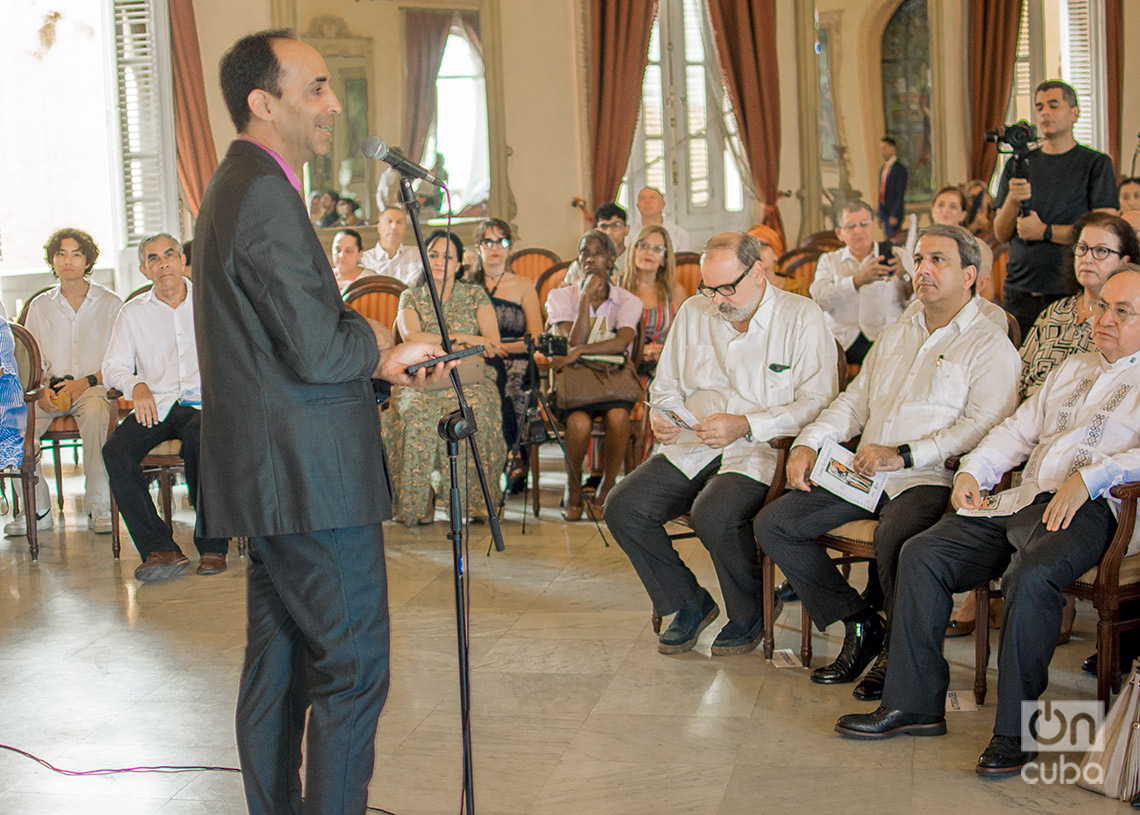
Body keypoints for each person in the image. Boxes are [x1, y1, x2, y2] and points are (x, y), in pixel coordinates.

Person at [194, 31, 452, 814]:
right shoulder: (262, 193)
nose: (334, 104)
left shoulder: (242, 184)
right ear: (262, 103)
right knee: (352, 667)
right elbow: (314, 343)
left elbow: (292, 327)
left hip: (277, 478)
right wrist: (376, 345)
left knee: (278, 669)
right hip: (310, 478)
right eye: (314, 89)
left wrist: (365, 342)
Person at [834, 265, 1140, 777]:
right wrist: (974, 469)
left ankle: (1015, 732)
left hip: (1095, 508)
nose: (1104, 318)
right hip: (1026, 497)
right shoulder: (1073, 367)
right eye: (1102, 306)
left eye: (1122, 311)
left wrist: (1092, 476)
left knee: (1032, 575)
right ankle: (915, 704)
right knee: (924, 553)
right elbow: (1017, 431)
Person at [753, 224, 1021, 702]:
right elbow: (854, 402)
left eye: (938, 260)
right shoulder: (900, 330)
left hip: (929, 476)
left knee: (897, 537)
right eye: (919, 259)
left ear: (970, 275)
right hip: (865, 471)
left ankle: (897, 657)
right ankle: (860, 624)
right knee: (776, 522)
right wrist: (809, 443)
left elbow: (984, 427)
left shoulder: (988, 341)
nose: (923, 269)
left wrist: (905, 454)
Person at [605, 232, 837, 655]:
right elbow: (666, 385)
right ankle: (689, 602)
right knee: (623, 506)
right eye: (709, 288)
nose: (717, 300)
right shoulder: (694, 311)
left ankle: (750, 612)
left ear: (758, 271)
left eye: (728, 288)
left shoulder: (801, 316)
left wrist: (748, 424)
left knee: (713, 512)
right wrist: (662, 414)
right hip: (694, 442)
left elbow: (819, 402)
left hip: (762, 448)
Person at [101, 233, 228, 580]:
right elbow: (113, 366)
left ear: (183, 261)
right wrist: (136, 384)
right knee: (115, 451)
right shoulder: (133, 313)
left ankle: (213, 547)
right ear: (145, 270)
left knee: (201, 441)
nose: (163, 263)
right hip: (154, 404)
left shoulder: (211, 301)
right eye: (153, 259)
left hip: (203, 403)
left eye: (169, 255)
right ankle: (160, 548)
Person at [384, 230, 506, 525]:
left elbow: (490, 342)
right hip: (422, 380)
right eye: (434, 254)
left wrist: (441, 344)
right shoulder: (411, 296)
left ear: (459, 263)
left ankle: (475, 502)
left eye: (447, 256)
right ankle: (419, 499)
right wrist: (463, 338)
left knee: (475, 408)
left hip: (468, 379)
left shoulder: (475, 294)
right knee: (413, 412)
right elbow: (411, 335)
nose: (439, 261)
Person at [6, 228, 121, 538]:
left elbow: (118, 359)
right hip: (48, 392)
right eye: (61, 254)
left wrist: (84, 383)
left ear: (88, 261)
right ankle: (37, 509)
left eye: (76, 254)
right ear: (53, 261)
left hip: (92, 387)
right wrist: (40, 387)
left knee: (98, 413)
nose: (68, 260)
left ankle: (99, 506)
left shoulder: (110, 304)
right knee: (12, 423)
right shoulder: (41, 306)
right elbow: (31, 357)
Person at [994, 80, 1119, 337]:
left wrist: (1045, 231)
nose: (1045, 113)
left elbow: (1106, 229)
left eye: (1053, 105)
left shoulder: (1095, 163)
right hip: (1021, 289)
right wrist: (1013, 200)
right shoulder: (1018, 164)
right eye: (1039, 107)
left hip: (1072, 289)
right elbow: (1000, 233)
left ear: (1074, 113)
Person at [545, 230, 643, 519]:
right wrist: (585, 296)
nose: (589, 258)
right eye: (583, 252)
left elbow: (621, 342)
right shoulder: (560, 296)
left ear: (611, 258)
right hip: (576, 383)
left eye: (597, 253)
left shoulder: (628, 300)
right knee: (577, 423)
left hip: (612, 381)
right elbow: (571, 341)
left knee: (618, 416)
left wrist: (579, 350)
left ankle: (606, 488)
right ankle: (573, 491)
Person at [1019, 212, 1139, 399]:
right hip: (1026, 415)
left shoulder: (1124, 321)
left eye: (1101, 251)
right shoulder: (1055, 311)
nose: (1087, 258)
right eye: (1082, 248)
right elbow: (1018, 377)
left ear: (1124, 262)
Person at [466, 218, 542, 492]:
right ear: (479, 247)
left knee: (510, 381)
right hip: (477, 358)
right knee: (488, 375)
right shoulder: (465, 285)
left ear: (510, 247)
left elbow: (534, 337)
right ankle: (508, 458)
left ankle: (514, 456)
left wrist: (500, 348)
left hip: (517, 357)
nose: (496, 247)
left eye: (502, 241)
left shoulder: (523, 286)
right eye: (489, 241)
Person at [810, 199, 915, 366]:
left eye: (864, 224)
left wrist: (904, 276)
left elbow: (916, 302)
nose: (858, 231)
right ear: (839, 233)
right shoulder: (829, 260)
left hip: (886, 337)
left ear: (873, 225)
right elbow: (819, 300)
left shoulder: (898, 256)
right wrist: (856, 281)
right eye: (851, 226)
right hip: (842, 340)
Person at [618, 224, 684, 379]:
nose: (649, 253)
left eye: (657, 249)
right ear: (634, 250)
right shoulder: (616, 286)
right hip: (622, 367)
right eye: (644, 246)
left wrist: (663, 351)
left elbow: (683, 337)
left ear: (664, 259)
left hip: (663, 366)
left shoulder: (675, 291)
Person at [564, 202, 631, 286]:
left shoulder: (636, 260)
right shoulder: (583, 262)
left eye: (615, 225)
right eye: (603, 226)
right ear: (597, 230)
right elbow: (565, 292)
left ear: (626, 229)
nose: (609, 232)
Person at [359, 206, 422, 284]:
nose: (394, 227)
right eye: (389, 221)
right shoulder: (364, 259)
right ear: (379, 227)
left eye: (399, 222)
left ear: (405, 228)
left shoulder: (417, 255)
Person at [631, 186, 691, 251]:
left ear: (663, 204)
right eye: (643, 198)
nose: (647, 201)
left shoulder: (679, 235)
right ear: (637, 206)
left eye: (652, 198)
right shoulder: (629, 235)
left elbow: (685, 260)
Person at [878, 136, 908, 238]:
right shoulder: (883, 168)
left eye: (884, 148)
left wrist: (894, 214)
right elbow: (881, 191)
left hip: (894, 213)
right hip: (885, 212)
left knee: (894, 239)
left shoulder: (900, 169)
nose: (882, 151)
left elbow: (899, 194)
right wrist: (880, 214)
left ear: (892, 148)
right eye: (881, 148)